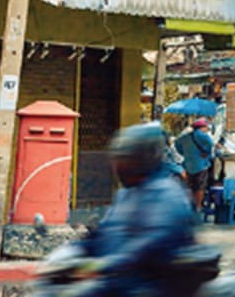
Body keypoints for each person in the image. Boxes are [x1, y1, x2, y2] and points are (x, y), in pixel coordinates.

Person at [76, 123, 200, 296]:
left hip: (153, 283)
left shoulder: (167, 194)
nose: (120, 167)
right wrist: (74, 250)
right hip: (118, 280)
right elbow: (106, 231)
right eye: (119, 160)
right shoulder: (125, 194)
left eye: (128, 160)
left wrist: (105, 264)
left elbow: (152, 242)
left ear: (144, 158)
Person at [176, 119, 215, 211]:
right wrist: (207, 152)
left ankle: (191, 206)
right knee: (200, 186)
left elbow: (177, 144)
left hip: (189, 165)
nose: (207, 129)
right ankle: (198, 206)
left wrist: (184, 153)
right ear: (201, 127)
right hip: (201, 164)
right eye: (206, 127)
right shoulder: (201, 135)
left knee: (191, 186)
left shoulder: (184, 137)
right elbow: (210, 143)